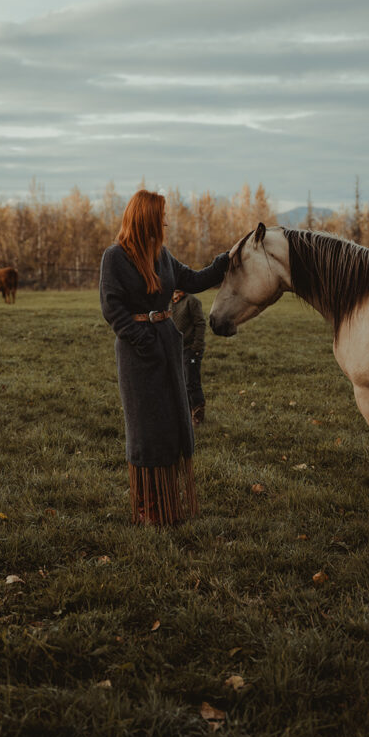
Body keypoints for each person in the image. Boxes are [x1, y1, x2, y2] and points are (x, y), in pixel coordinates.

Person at [99, 190, 229, 526]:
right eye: (161, 215)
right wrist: (144, 340)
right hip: (139, 355)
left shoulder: (162, 255)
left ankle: (169, 503)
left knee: (172, 423)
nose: (166, 220)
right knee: (148, 428)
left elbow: (194, 279)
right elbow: (112, 308)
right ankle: (148, 507)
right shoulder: (114, 257)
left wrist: (224, 262)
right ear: (146, 218)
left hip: (167, 347)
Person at [171, 290, 207, 425]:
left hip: (191, 349)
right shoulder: (170, 302)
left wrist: (196, 347)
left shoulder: (191, 301)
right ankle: (186, 414)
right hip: (176, 349)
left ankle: (198, 414)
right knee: (181, 382)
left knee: (191, 381)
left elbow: (200, 323)